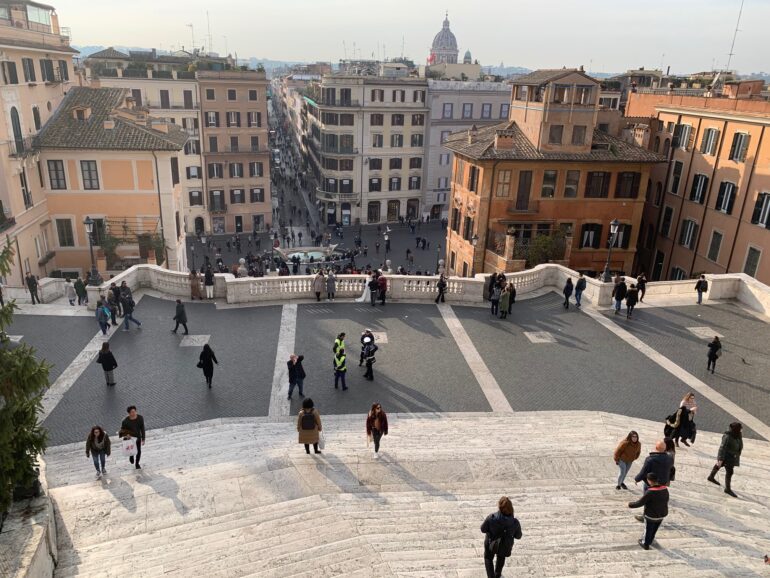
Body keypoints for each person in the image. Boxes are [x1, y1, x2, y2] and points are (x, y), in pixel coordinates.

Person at [480, 496, 522, 578]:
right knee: (501, 556)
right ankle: (497, 574)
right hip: (505, 545)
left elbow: (483, 529)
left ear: (499, 506)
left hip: (491, 543)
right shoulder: (515, 522)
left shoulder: (491, 518)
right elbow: (518, 536)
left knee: (488, 558)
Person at [628, 472, 669, 550]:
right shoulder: (665, 489)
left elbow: (640, 503)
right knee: (654, 529)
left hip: (651, 515)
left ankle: (645, 544)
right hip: (662, 514)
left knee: (648, 529)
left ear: (649, 481)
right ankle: (650, 540)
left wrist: (630, 505)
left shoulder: (650, 492)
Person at [707, 422, 743, 498]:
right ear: (736, 429)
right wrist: (720, 459)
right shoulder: (728, 436)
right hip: (727, 457)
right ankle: (728, 489)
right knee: (730, 472)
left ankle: (711, 477)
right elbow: (722, 448)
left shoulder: (737, 435)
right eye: (740, 428)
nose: (741, 430)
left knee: (719, 466)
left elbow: (739, 444)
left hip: (732, 456)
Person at [120, 405, 145, 469]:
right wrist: (126, 435)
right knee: (132, 450)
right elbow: (122, 431)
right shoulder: (125, 421)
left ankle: (137, 463)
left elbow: (142, 428)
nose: (134, 413)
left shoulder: (140, 418)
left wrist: (143, 438)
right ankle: (131, 456)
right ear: (129, 413)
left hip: (138, 438)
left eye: (134, 411)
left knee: (138, 451)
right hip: (129, 439)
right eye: (132, 412)